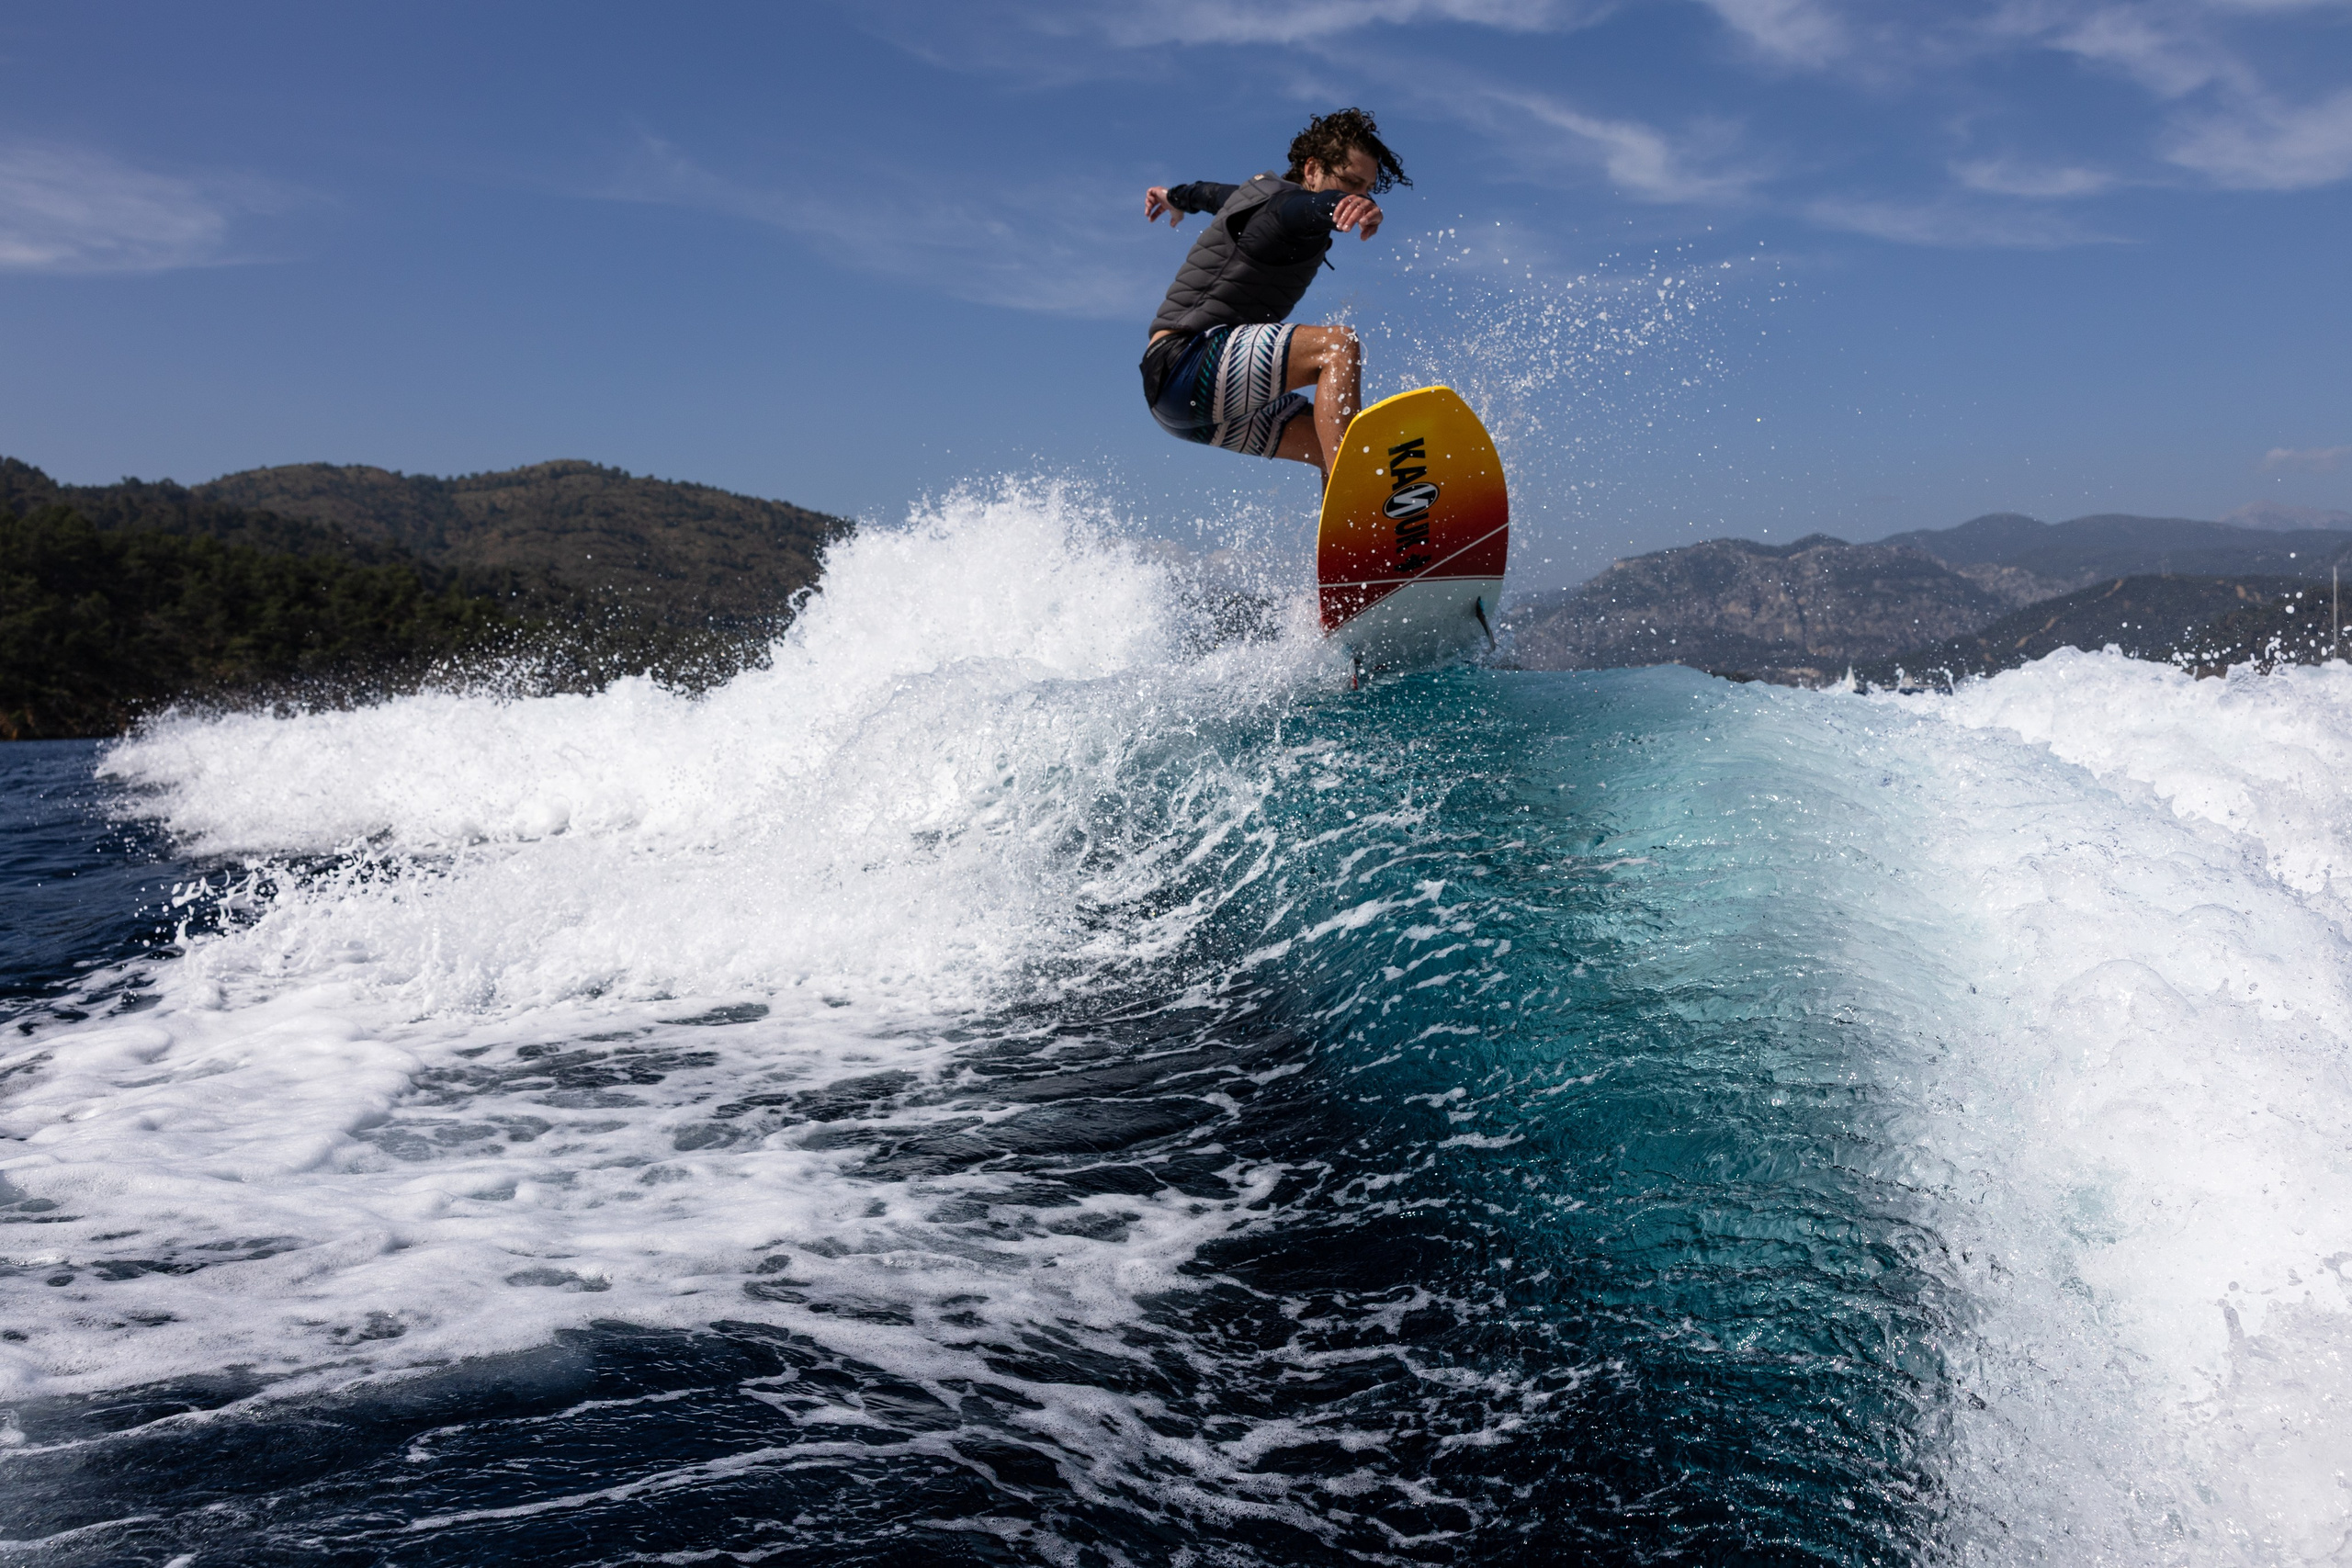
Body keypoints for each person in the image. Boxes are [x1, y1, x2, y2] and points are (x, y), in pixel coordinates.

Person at [1139, 108, 1408, 484]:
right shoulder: (1280, 208)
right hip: (1185, 365)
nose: (1360, 197)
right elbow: (1306, 208)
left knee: (1332, 441)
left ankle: (1350, 537)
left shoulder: (1252, 197)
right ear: (1312, 170)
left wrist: (1174, 197)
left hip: (1189, 409)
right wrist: (1336, 206)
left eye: (1365, 189)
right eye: (1349, 183)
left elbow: (1209, 194)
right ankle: (1358, 496)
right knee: (1337, 346)